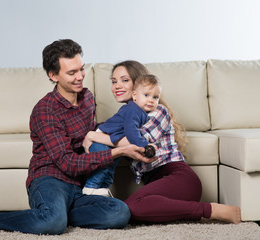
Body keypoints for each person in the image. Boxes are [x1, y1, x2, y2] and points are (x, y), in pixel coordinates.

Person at [0, 40, 156, 234]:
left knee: (119, 213)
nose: (80, 76)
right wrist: (118, 151)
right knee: (52, 224)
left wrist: (121, 136)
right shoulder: (45, 110)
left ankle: (56, 215)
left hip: (79, 187)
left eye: (81, 69)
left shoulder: (87, 98)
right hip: (50, 179)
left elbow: (92, 134)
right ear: (53, 76)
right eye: (72, 73)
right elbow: (67, 163)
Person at [83, 60, 242, 224]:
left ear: (139, 83)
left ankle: (209, 210)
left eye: (124, 80)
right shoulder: (128, 114)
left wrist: (93, 136)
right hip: (157, 186)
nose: (117, 86)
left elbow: (136, 143)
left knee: (132, 207)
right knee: (132, 210)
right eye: (114, 81)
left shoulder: (158, 112)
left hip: (180, 178)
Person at [83, 74, 161, 196]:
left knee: (111, 165)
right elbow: (131, 131)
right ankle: (90, 188)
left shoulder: (143, 112)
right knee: (106, 166)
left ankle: (101, 191)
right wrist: (144, 145)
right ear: (134, 95)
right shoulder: (133, 110)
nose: (151, 100)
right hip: (102, 138)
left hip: (108, 137)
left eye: (155, 97)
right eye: (146, 95)